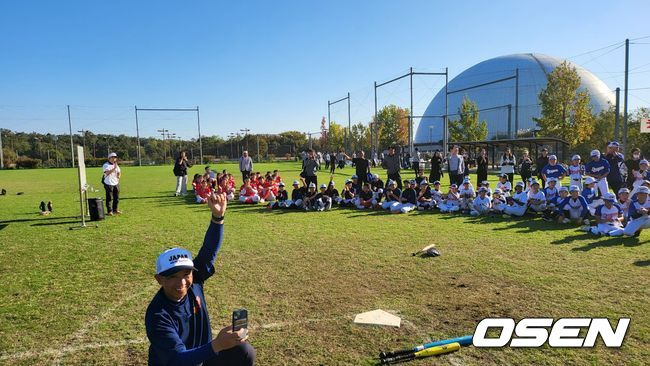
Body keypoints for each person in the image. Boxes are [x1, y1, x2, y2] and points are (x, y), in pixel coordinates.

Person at [146, 192, 256, 366]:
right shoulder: (158, 315)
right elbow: (177, 360)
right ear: (159, 279)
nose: (182, 282)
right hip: (180, 363)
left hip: (203, 357)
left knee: (244, 352)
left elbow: (208, 251)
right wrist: (218, 344)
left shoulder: (194, 282)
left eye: (186, 274)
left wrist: (218, 217)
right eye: (173, 276)